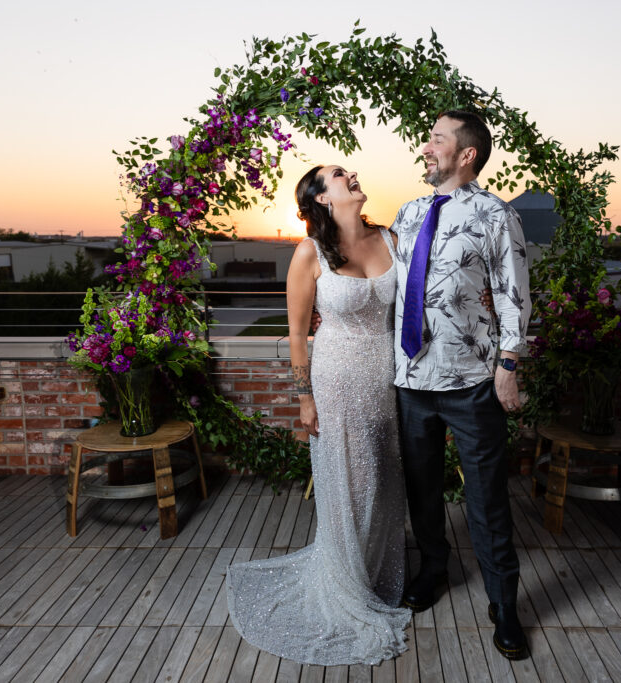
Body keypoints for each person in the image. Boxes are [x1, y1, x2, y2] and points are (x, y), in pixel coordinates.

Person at [225, 165, 410, 665]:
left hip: (386, 378)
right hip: (335, 380)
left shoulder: (391, 238)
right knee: (349, 482)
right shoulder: (309, 253)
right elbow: (298, 334)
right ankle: (345, 584)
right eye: (337, 175)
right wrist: (304, 398)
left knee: (384, 478)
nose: (352, 174)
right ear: (322, 199)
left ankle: (374, 569)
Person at [393, 110, 531, 660]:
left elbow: (514, 294)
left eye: (436, 140)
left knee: (487, 500)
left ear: (466, 154)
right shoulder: (407, 213)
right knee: (421, 491)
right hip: (410, 380)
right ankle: (433, 571)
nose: (425, 148)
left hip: (473, 382)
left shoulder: (497, 215)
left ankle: (504, 605)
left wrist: (509, 364)